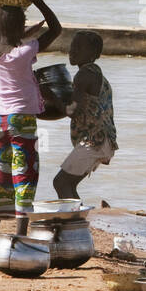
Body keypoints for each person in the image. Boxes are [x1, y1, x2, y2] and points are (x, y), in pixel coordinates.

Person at [0, 0, 60, 243]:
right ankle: (19, 236)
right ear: (22, 27)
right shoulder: (26, 51)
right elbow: (56, 28)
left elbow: (5, 41)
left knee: (0, 176)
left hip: (0, 120)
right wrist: (38, 0)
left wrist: (22, 33)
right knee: (24, 175)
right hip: (22, 120)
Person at [53, 31, 118, 200]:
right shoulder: (95, 73)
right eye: (72, 45)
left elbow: (72, 111)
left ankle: (74, 222)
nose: (72, 50)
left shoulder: (84, 75)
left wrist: (49, 96)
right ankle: (76, 220)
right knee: (67, 184)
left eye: (78, 47)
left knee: (61, 183)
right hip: (102, 140)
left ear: (93, 54)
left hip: (94, 141)